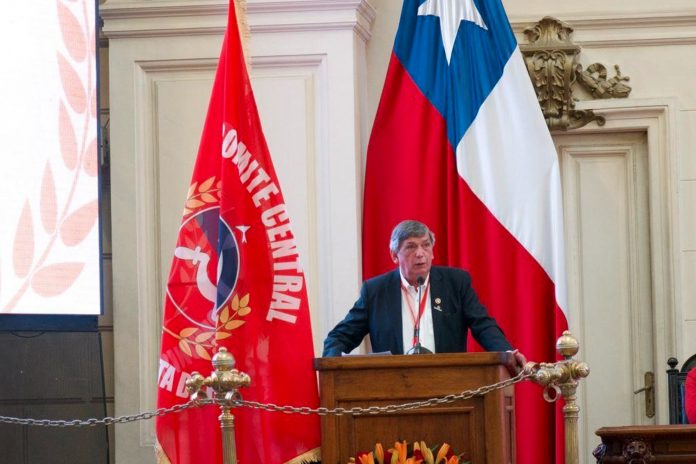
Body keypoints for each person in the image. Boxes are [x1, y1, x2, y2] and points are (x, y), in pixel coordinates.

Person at [322, 220, 526, 371]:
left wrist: (506, 352)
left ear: (433, 251)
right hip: (394, 392)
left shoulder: (455, 283)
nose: (420, 253)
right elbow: (339, 337)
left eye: (425, 245)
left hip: (450, 385)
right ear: (394, 255)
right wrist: (333, 363)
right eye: (411, 246)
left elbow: (483, 325)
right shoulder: (376, 291)